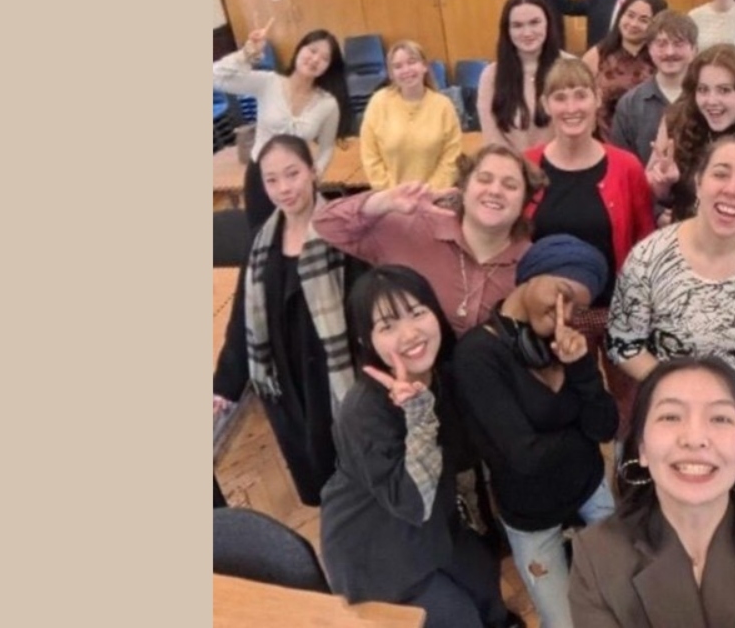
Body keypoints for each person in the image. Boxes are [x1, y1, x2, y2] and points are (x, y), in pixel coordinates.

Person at [319, 265, 517, 628]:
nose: (410, 333)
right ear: (365, 340)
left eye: (417, 312)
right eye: (387, 326)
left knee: (486, 587)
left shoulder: (443, 375)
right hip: (375, 547)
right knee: (458, 618)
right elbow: (411, 502)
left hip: (438, 526)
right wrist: (419, 414)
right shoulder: (363, 409)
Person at [568, 356, 735, 626]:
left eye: (720, 418)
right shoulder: (595, 556)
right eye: (671, 416)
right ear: (642, 448)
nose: (695, 439)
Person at [451, 236, 618, 628]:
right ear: (530, 275)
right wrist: (580, 435)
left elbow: (605, 426)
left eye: (577, 307)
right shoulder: (477, 356)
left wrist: (581, 368)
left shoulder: (566, 345)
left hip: (590, 490)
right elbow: (524, 457)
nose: (565, 313)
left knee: (617, 598)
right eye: (562, 293)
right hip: (532, 514)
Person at [609, 135, 735, 449]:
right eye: (720, 173)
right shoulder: (649, 257)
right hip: (671, 408)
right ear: (698, 182)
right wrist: (678, 388)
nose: (732, 189)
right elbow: (624, 345)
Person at [213, 135, 368, 506]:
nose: (284, 188)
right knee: (317, 474)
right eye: (272, 180)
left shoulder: (342, 232)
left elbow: (366, 309)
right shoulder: (262, 242)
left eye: (292, 174)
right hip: (287, 381)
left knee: (355, 467)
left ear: (312, 172)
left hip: (337, 374)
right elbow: (243, 319)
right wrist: (224, 387)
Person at [524, 57, 658, 432]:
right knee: (567, 407)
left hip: (617, 310)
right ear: (546, 104)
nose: (571, 107)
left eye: (580, 95)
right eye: (560, 97)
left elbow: (645, 241)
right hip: (555, 317)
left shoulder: (626, 166)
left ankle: (631, 459)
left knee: (632, 406)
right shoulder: (527, 166)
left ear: (597, 98)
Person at [313, 144, 542, 338]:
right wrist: (384, 200)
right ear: (462, 188)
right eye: (484, 179)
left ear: (524, 201)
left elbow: (560, 323)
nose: (495, 190)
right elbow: (326, 224)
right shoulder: (411, 229)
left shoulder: (535, 264)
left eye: (510, 185)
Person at [213, 20, 352, 229]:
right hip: (261, 175)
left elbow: (327, 147)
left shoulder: (328, 104)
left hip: (298, 181)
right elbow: (215, 76)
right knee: (261, 233)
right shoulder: (269, 83)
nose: (315, 59)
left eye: (324, 58)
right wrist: (247, 53)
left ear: (329, 67)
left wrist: (315, 175)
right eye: (312, 50)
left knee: (297, 237)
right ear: (299, 50)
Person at [644, 44, 735, 232]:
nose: (711, 101)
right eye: (703, 90)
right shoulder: (675, 122)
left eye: (724, 90)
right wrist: (664, 183)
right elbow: (649, 191)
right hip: (682, 239)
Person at [359, 39, 464, 191]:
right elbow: (370, 156)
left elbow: (451, 158)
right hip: (390, 198)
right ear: (391, 74)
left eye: (412, 62)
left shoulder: (444, 106)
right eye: (398, 66)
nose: (406, 70)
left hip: (434, 197)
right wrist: (394, 195)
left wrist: (427, 192)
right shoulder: (378, 103)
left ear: (424, 66)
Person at [479, 0, 567, 153]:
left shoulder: (571, 66)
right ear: (507, 30)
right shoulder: (490, 76)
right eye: (517, 25)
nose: (527, 33)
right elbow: (492, 138)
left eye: (534, 22)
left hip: (563, 161)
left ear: (548, 23)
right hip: (510, 165)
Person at [612, 10, 699, 166]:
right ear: (650, 49)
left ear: (694, 50)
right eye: (661, 44)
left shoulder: (708, 99)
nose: (670, 52)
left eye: (678, 44)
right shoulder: (630, 104)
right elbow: (622, 164)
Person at [582, 0, 668, 141]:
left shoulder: (662, 59)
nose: (633, 24)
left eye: (644, 20)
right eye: (630, 15)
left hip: (650, 142)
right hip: (604, 141)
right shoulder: (597, 55)